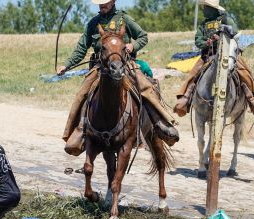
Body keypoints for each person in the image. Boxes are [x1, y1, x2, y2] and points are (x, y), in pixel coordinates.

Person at [57, 0, 179, 154]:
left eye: (105, 2)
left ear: (113, 2)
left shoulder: (124, 19)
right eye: (100, 3)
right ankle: (77, 131)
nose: (102, 5)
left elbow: (142, 36)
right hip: (100, 67)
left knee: (145, 87)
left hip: (125, 64)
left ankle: (162, 122)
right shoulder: (93, 23)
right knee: (82, 92)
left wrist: (132, 46)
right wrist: (66, 65)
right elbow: (81, 48)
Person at [173, 0, 254, 118]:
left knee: (243, 70)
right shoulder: (203, 25)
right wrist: (207, 42)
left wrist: (222, 35)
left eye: (206, 7)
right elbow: (198, 40)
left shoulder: (225, 19)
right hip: (208, 55)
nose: (204, 9)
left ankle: (252, 97)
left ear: (213, 9)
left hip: (228, 52)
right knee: (194, 73)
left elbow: (235, 33)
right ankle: (186, 97)